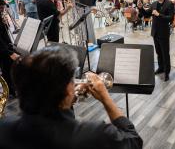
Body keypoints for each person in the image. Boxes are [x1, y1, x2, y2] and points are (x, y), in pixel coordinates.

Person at [0, 46, 143, 149]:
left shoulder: (4, 128)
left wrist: (66, 99)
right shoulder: (97, 135)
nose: (74, 83)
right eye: (71, 79)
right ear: (67, 91)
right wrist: (106, 98)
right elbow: (134, 141)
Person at [146, 0, 175, 81]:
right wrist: (140, 8)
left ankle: (167, 72)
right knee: (158, 52)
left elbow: (170, 18)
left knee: (165, 53)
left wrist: (159, 14)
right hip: (155, 32)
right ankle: (160, 68)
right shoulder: (154, 4)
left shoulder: (169, 4)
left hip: (164, 33)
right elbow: (146, 14)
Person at [0, 0, 19, 97]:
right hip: (3, 50)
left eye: (3, 8)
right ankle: (10, 91)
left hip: (6, 47)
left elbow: (3, 32)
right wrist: (9, 53)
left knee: (10, 68)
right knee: (6, 70)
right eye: (1, 8)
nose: (2, 10)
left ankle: (13, 88)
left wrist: (5, 24)